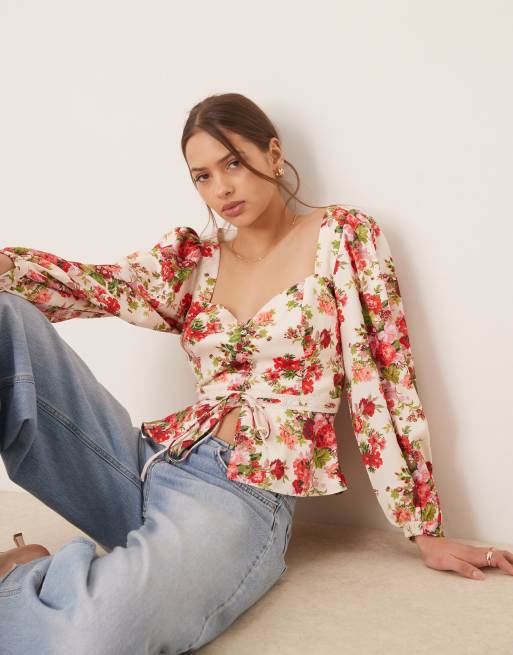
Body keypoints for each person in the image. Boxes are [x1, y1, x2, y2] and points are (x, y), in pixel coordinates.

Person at [0, 92, 511, 654]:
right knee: (4, 317)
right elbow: (94, 286)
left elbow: (385, 378)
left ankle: (21, 579)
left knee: (87, 639)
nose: (221, 188)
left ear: (273, 154)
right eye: (202, 176)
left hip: (239, 495)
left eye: (234, 163)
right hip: (145, 462)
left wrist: (424, 529)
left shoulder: (340, 236)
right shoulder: (195, 261)